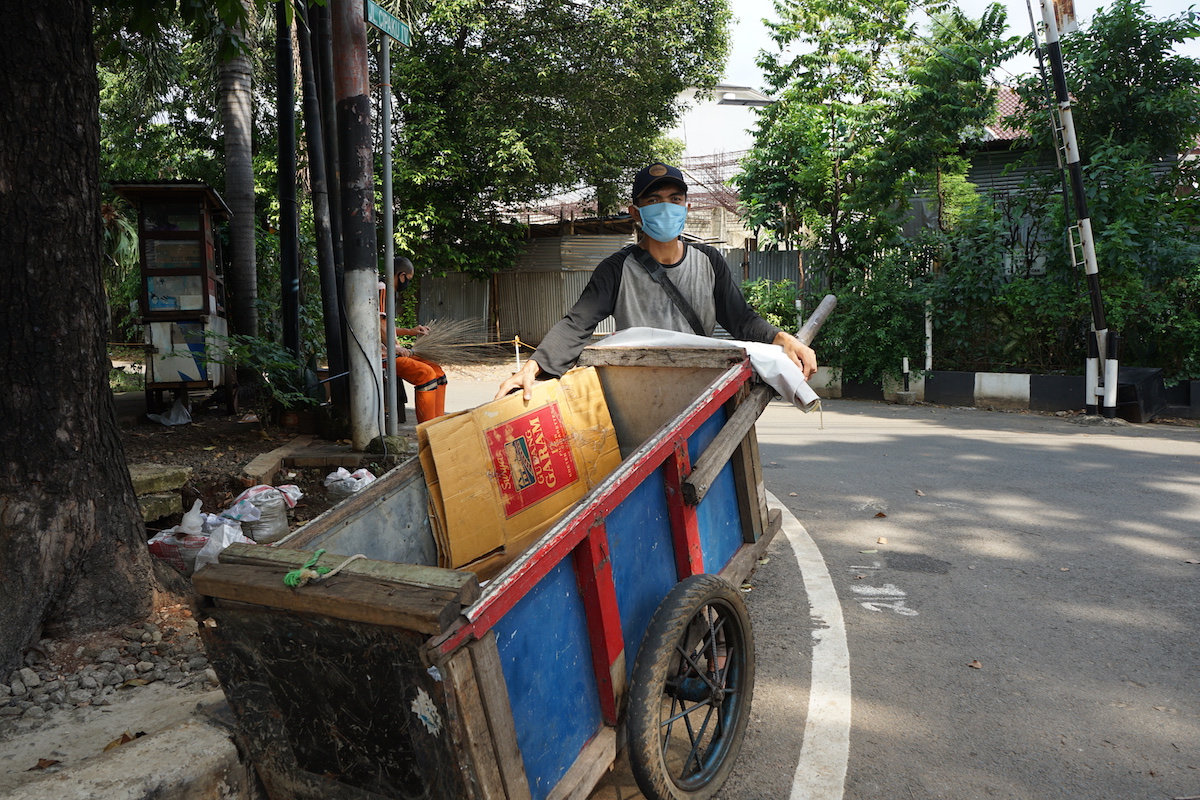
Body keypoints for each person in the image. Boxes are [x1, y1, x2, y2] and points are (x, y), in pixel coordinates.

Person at [495, 162, 818, 401]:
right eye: (653, 201)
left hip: (701, 396)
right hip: (638, 398)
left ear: (687, 207)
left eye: (675, 199)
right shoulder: (616, 269)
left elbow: (741, 319)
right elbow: (576, 323)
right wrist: (533, 367)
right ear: (635, 212)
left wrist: (782, 339)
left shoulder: (709, 262)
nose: (666, 207)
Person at [381, 256, 447, 423]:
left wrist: (410, 332)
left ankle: (438, 425)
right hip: (382, 356)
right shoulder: (382, 288)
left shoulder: (388, 293)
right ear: (401, 275)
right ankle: (427, 431)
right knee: (426, 374)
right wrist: (393, 348)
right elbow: (378, 326)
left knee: (438, 372)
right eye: (408, 279)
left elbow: (385, 327)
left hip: (391, 352)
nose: (407, 283)